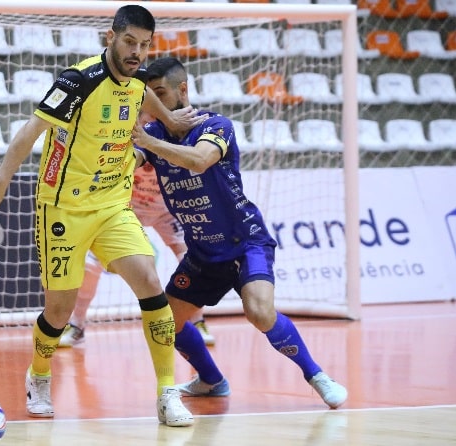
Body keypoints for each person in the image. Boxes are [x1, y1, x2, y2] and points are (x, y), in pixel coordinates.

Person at [0, 6, 204, 426]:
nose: (136, 52)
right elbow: (30, 130)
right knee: (59, 311)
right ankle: (38, 375)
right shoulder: (79, 81)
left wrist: (166, 117)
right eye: (130, 41)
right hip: (63, 208)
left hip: (113, 205)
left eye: (145, 45)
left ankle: (167, 393)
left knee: (150, 283)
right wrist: (1, 179)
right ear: (110, 36)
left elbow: (143, 93)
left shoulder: (135, 81)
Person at [130, 57, 348, 409]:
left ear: (182, 89)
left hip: (245, 242)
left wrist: (149, 144)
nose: (154, 105)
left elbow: (199, 160)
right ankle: (212, 381)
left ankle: (317, 375)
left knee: (260, 312)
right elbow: (133, 159)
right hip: (202, 252)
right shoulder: (153, 133)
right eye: (148, 98)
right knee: (164, 323)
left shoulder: (215, 125)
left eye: (160, 94)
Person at [58, 161, 216, 347]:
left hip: (168, 209)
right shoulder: (124, 137)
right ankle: (77, 325)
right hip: (126, 207)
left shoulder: (170, 138)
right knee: (91, 266)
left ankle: (197, 322)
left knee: (193, 261)